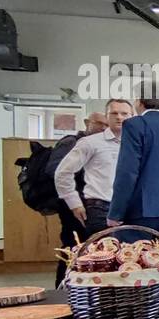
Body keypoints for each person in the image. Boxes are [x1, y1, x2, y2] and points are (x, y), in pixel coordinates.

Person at [107, 94, 159, 240]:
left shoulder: (134, 125)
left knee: (135, 259)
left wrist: (116, 213)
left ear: (139, 102)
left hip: (142, 209)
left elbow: (127, 172)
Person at [55, 100, 131, 239]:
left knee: (130, 257)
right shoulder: (91, 142)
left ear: (132, 117)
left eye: (124, 113)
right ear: (107, 116)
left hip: (131, 210)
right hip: (100, 208)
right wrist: (74, 203)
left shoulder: (138, 144)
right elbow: (63, 172)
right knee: (101, 257)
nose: (119, 117)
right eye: (114, 113)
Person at [52, 111, 108, 284]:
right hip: (72, 206)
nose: (103, 128)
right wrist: (75, 200)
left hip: (91, 206)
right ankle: (63, 287)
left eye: (106, 125)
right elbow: (55, 171)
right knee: (72, 248)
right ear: (86, 122)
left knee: (91, 250)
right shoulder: (71, 143)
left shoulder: (104, 144)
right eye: (99, 123)